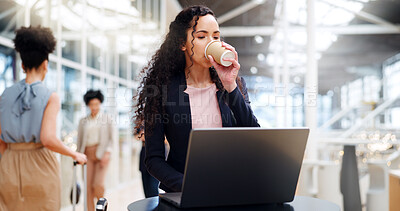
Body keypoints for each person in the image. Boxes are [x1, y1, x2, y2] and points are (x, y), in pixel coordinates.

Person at [134, 5, 260, 193]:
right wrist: (189, 186)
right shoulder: (162, 91)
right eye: (201, 36)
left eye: (216, 37)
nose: (211, 42)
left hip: (231, 189)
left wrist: (230, 85)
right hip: (185, 194)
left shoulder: (233, 85)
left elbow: (254, 136)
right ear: (182, 43)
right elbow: (154, 160)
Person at [0, 26, 87, 211]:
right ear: (46, 64)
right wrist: (74, 154)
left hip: (8, 165)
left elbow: (1, 140)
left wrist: (8, 160)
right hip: (40, 165)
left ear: (22, 65)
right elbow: (47, 139)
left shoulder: (5, 95)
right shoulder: (49, 96)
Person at [77, 89, 115, 211]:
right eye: (92, 104)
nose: (94, 107)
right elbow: (80, 140)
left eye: (97, 104)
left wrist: (107, 153)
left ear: (100, 104)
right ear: (88, 105)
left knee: (98, 185)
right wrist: (78, 155)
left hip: (102, 154)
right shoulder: (83, 121)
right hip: (87, 155)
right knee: (88, 188)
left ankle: (101, 207)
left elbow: (111, 139)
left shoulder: (107, 119)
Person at [135, 126, 160, 198]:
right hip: (144, 154)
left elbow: (166, 140)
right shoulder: (141, 123)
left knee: (153, 189)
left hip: (156, 156)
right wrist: (141, 136)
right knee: (146, 190)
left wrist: (149, 137)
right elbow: (136, 136)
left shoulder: (159, 120)